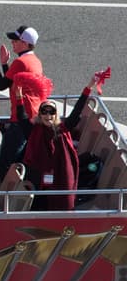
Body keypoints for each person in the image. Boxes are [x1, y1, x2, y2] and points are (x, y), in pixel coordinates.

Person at [17, 78, 95, 211]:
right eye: (44, 112)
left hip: (60, 176)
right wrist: (19, 98)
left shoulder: (63, 129)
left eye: (51, 112)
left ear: (56, 114)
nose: (48, 115)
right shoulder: (34, 131)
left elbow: (77, 111)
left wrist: (89, 87)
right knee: (37, 206)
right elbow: (22, 117)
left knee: (60, 204)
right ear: (40, 115)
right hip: (38, 178)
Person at [0, 24, 43, 177]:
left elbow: (2, 85)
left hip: (20, 119)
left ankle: (9, 188)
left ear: (25, 43)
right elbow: (12, 82)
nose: (12, 43)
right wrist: (4, 64)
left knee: (5, 164)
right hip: (31, 117)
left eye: (16, 40)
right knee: (19, 160)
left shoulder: (21, 62)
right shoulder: (35, 61)